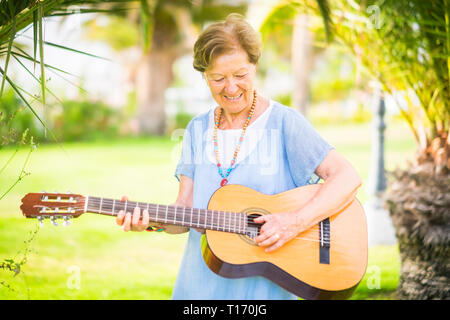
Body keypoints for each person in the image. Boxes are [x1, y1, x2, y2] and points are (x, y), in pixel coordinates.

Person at [116, 13, 362, 300]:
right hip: (200, 288)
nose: (231, 88)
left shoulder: (284, 123)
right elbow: (184, 212)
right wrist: (151, 222)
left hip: (264, 292)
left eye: (240, 75)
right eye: (218, 78)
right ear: (204, 76)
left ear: (255, 66)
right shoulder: (197, 129)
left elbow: (347, 177)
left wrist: (294, 221)